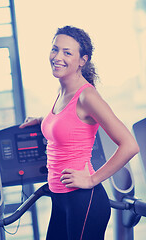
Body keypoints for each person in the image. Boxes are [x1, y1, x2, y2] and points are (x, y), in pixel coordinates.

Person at [20, 26, 139, 240]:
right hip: (60, 199)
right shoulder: (63, 89)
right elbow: (68, 122)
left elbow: (130, 145)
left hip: (84, 201)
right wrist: (40, 120)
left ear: (82, 60)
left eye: (67, 52)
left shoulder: (87, 97)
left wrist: (93, 179)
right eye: (55, 49)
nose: (57, 57)